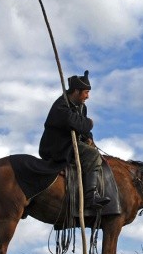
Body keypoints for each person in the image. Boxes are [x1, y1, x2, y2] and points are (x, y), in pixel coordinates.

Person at [39, 70, 110, 209]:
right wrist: (90, 123)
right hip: (58, 147)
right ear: (76, 91)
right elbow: (76, 122)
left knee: (94, 151)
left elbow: (82, 129)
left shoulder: (81, 107)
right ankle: (90, 197)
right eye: (85, 92)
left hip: (70, 144)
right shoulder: (61, 105)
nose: (88, 96)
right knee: (92, 155)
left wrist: (88, 138)